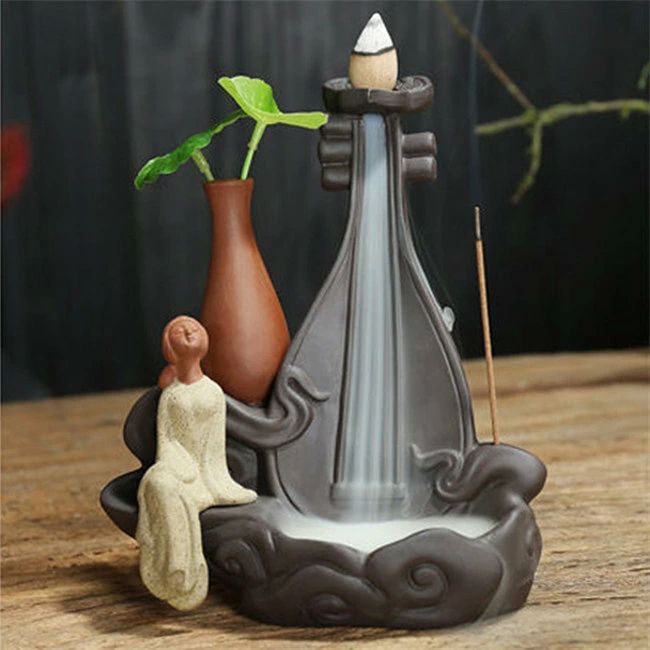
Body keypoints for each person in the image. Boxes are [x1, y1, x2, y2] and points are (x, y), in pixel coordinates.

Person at [136, 315, 256, 611]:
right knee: (159, 483)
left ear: (204, 341)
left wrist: (209, 475)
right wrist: (176, 465)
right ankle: (174, 563)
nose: (188, 331)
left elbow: (215, 442)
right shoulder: (172, 395)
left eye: (193, 328)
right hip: (175, 465)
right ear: (170, 346)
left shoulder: (213, 392)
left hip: (207, 472)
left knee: (174, 492)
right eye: (179, 330)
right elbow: (167, 438)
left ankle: (181, 569)